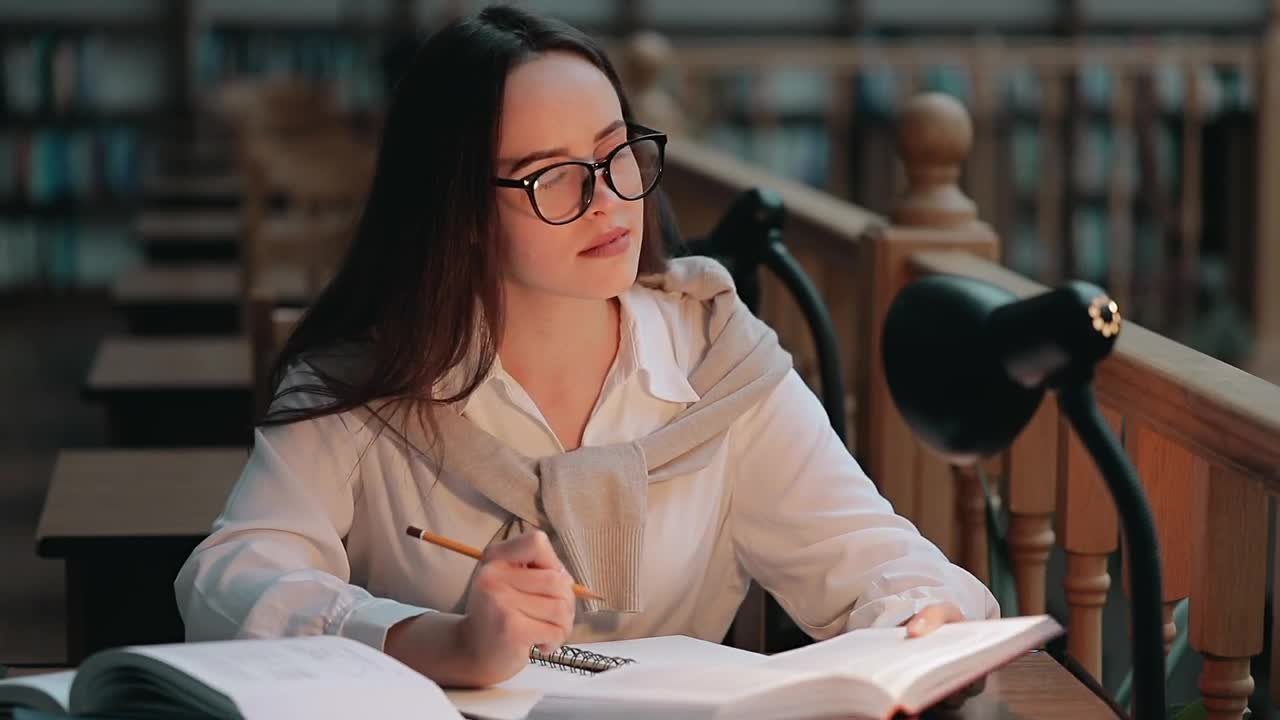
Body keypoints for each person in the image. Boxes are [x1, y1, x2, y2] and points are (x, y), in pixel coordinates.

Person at [174, 3, 998, 698]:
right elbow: (225, 583)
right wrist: (439, 643)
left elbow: (885, 565)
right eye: (550, 176)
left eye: (614, 154)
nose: (607, 200)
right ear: (459, 210)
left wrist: (921, 617)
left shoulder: (716, 365)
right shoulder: (369, 382)